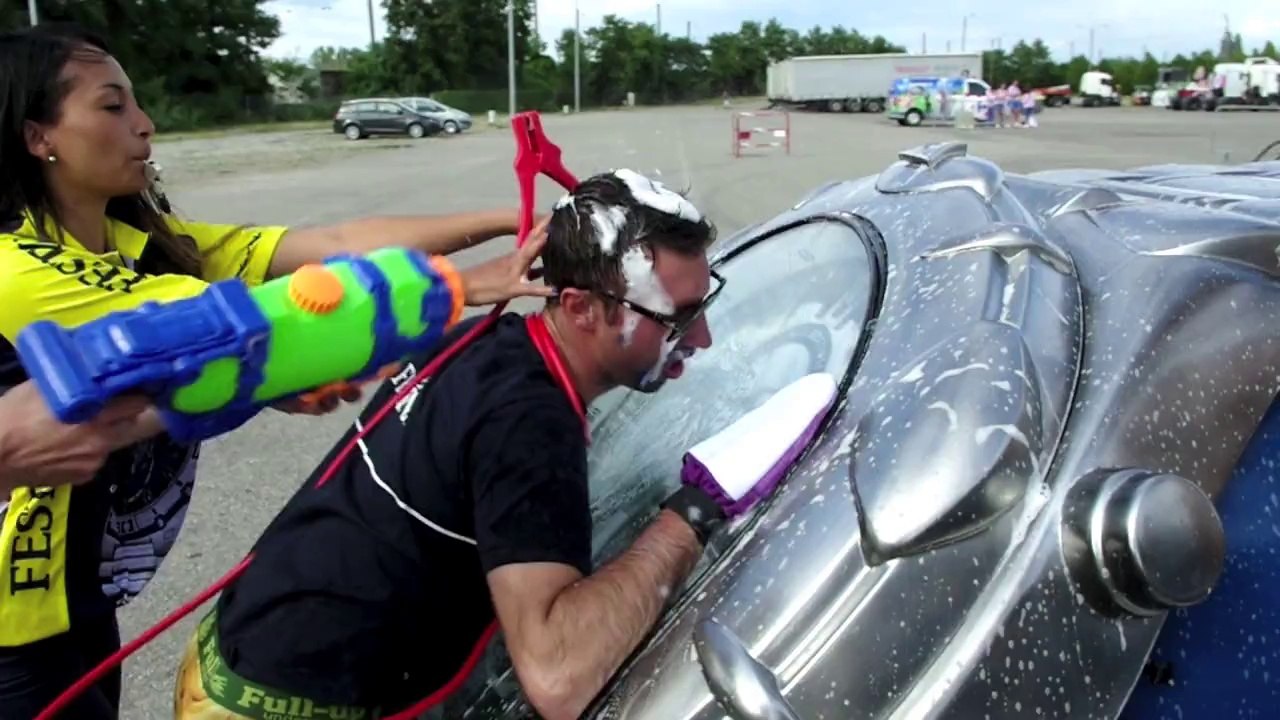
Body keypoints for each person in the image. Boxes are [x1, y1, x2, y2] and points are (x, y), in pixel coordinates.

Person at [0, 23, 550, 719]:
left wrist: (515, 219)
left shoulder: (135, 242)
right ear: (37, 136)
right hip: (14, 624)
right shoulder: (18, 271)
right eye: (112, 106)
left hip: (73, 598)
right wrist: (455, 288)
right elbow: (242, 329)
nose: (144, 123)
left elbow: (333, 243)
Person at [171, 169, 785, 720]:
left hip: (231, 649)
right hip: (277, 705)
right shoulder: (530, 423)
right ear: (580, 308)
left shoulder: (488, 341)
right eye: (678, 317)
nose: (702, 338)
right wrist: (695, 510)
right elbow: (558, 677)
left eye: (704, 303)